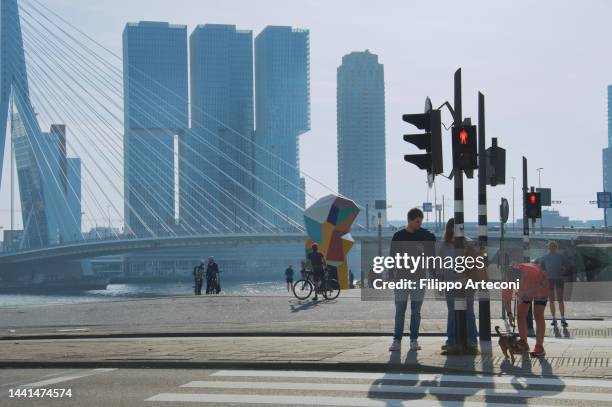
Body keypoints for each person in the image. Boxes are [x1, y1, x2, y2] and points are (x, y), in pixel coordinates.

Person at [389, 208, 436, 352]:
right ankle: (397, 340)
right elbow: (392, 257)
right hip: (402, 279)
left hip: (419, 279)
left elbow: (432, 251)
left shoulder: (423, 234)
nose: (419, 225)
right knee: (400, 311)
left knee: (416, 311)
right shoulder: (398, 236)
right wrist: (391, 275)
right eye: (417, 222)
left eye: (420, 222)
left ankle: (414, 340)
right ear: (409, 220)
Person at [502, 262, 550, 357]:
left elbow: (542, 285)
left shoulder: (532, 272)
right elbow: (506, 297)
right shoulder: (508, 277)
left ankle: (539, 347)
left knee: (538, 315)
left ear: (522, 275)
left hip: (541, 287)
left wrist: (524, 292)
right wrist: (509, 314)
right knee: (520, 316)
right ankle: (524, 345)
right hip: (525, 290)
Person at [537, 240, 568, 327]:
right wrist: (543, 277)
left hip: (559, 279)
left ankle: (562, 318)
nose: (552, 248)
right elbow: (541, 269)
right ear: (548, 247)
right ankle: (554, 318)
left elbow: (566, 267)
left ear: (556, 247)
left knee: (560, 300)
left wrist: (563, 271)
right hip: (549, 280)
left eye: (553, 246)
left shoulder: (560, 257)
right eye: (550, 246)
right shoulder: (544, 258)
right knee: (551, 300)